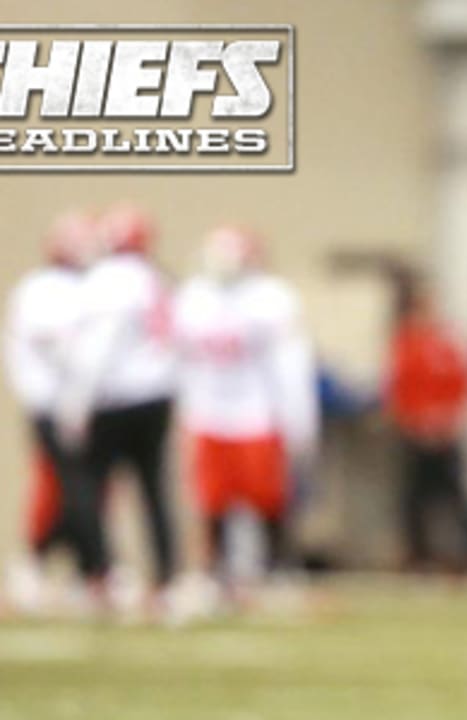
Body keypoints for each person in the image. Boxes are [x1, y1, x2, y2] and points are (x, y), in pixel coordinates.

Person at [172, 226, 318, 606]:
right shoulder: (192, 299)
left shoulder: (272, 298)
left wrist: (297, 417)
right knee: (212, 502)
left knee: (269, 499)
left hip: (256, 412)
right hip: (209, 412)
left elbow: (290, 362)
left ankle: (279, 570)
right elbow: (180, 362)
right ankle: (215, 574)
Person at [55, 204, 178, 614]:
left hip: (115, 397)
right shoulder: (155, 278)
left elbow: (98, 348)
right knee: (153, 488)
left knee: (90, 485)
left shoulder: (108, 281)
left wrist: (76, 402)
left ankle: (100, 572)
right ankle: (166, 577)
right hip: (157, 394)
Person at [3, 210, 97, 614]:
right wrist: (46, 401)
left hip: (87, 406)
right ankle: (43, 562)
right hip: (52, 405)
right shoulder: (39, 290)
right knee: (64, 488)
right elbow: (53, 351)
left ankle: (80, 568)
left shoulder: (94, 287)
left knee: (89, 489)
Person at [384, 274, 467, 574]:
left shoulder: (449, 342)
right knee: (414, 496)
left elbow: (464, 382)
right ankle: (417, 554)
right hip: (417, 432)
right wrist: (415, 421)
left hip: (446, 431)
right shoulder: (406, 342)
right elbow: (399, 386)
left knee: (457, 495)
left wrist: (449, 419)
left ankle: (465, 555)